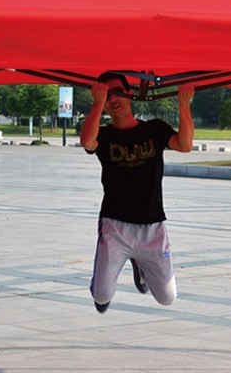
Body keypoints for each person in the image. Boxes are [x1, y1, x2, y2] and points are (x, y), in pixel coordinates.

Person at [80, 72, 194, 312]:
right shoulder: (105, 135)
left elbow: (185, 145)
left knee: (167, 298)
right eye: (107, 96)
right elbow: (87, 142)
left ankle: (140, 264)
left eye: (118, 93)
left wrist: (184, 104)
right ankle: (105, 281)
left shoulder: (154, 129)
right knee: (101, 296)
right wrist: (97, 103)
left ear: (130, 94)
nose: (114, 99)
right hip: (115, 225)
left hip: (152, 226)